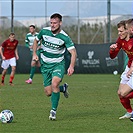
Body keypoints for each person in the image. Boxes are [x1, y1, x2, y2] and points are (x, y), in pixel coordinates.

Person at [32, 13, 77, 120]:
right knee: (48, 92)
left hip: (58, 64)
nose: (52, 25)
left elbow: (73, 53)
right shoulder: (44, 31)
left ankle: (53, 111)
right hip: (45, 65)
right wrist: (34, 53)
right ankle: (63, 88)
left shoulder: (64, 37)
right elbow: (35, 40)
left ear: (60, 23)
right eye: (51, 23)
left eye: (55, 23)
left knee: (55, 83)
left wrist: (71, 66)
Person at [109, 20, 133, 120]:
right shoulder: (120, 40)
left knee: (124, 93)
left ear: (127, 30)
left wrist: (131, 69)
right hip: (129, 67)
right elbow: (112, 56)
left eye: (121, 31)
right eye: (118, 31)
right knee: (120, 93)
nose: (119, 33)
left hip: (132, 68)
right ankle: (130, 112)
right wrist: (112, 50)